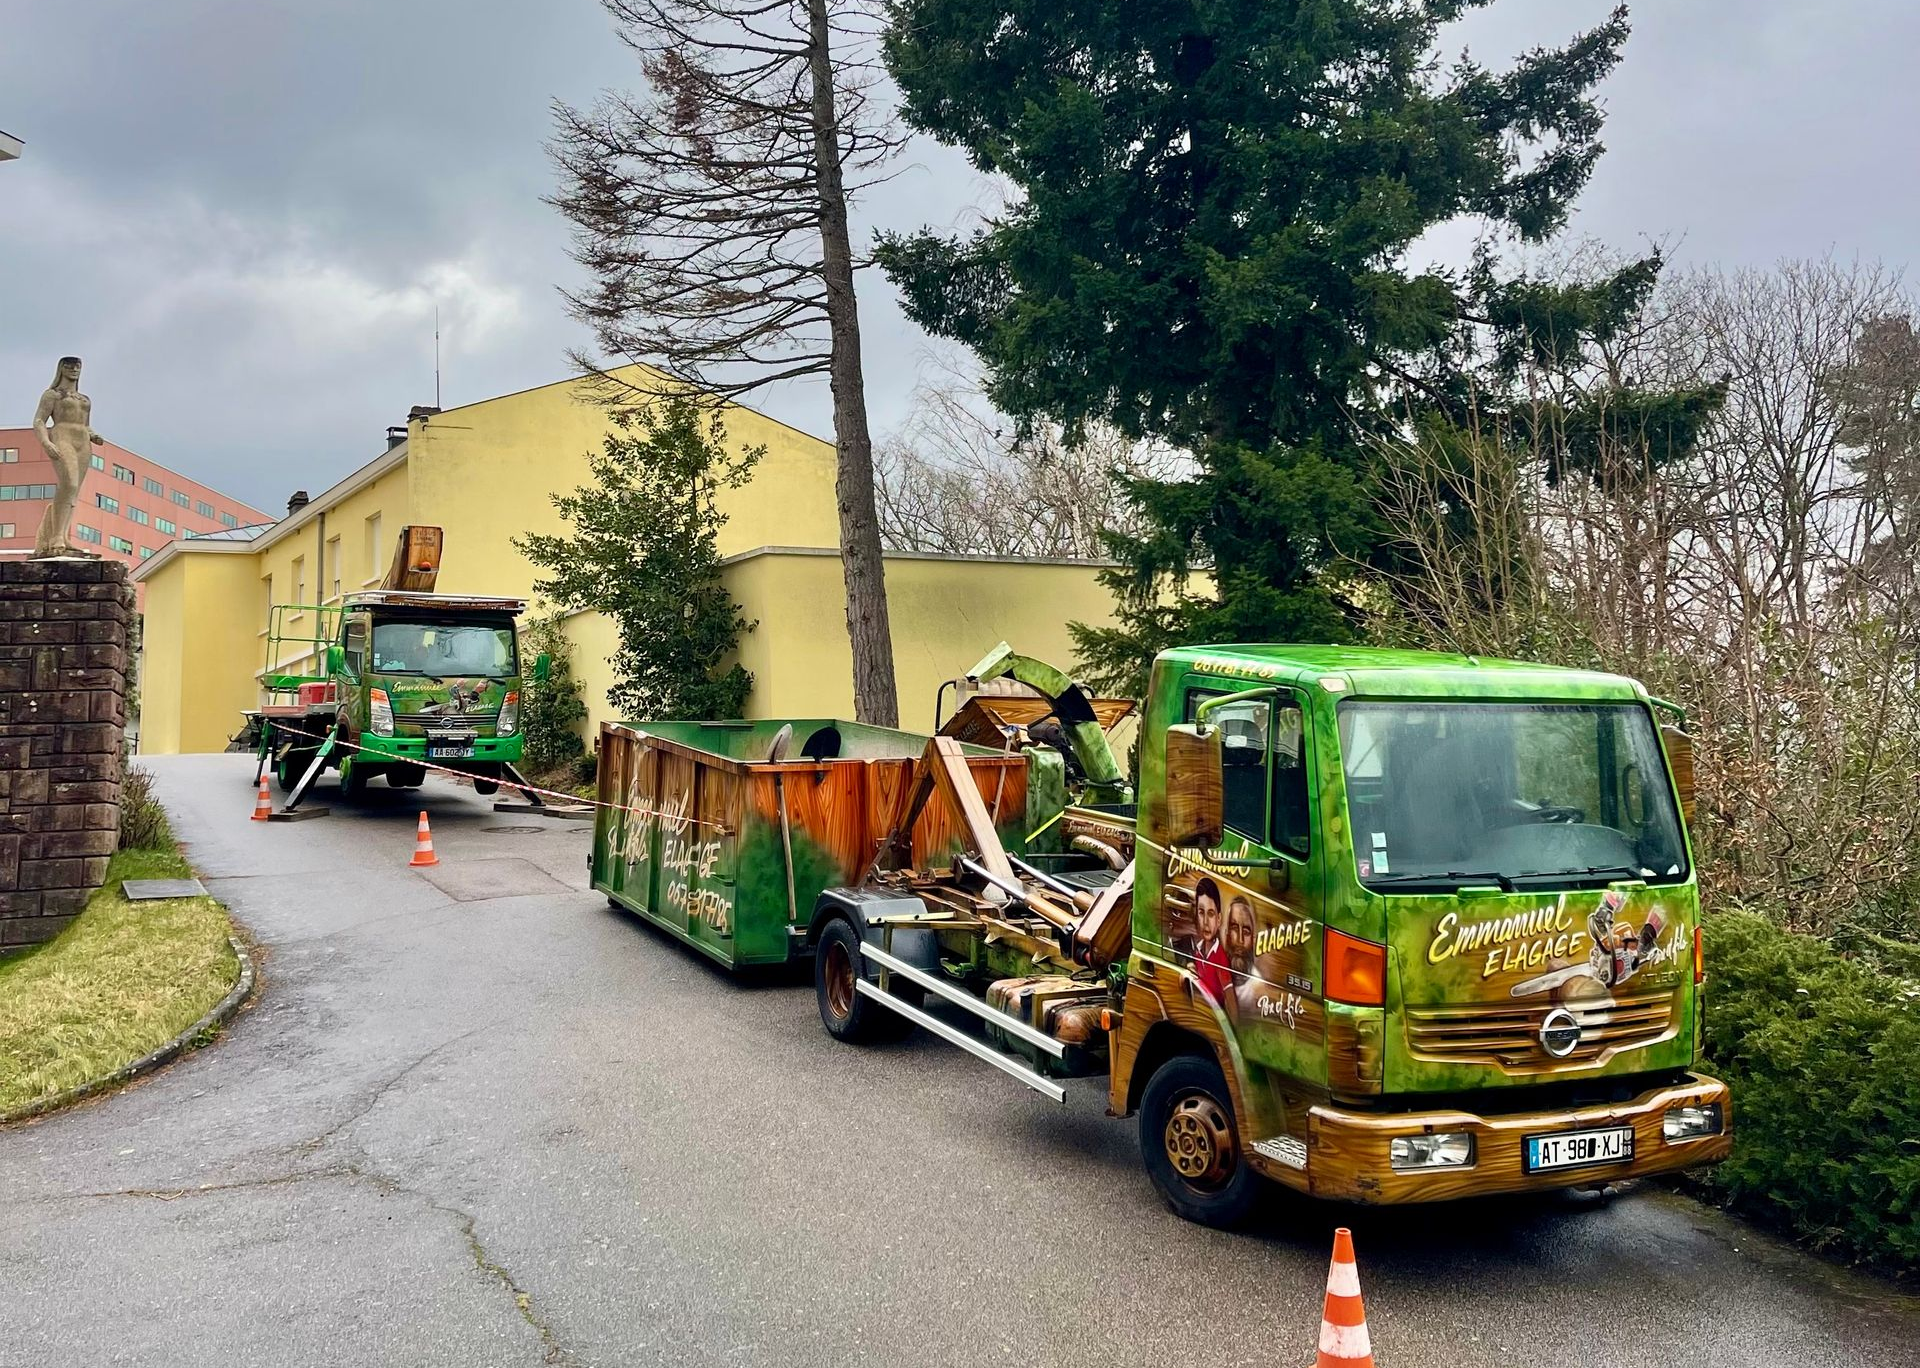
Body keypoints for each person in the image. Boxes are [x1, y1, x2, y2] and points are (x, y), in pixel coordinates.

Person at [1192, 878, 1230, 1003]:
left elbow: (1230, 1000)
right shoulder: (1197, 952)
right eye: (1201, 912)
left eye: (1211, 914)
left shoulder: (1220, 957)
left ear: (1219, 919)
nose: (1205, 922)